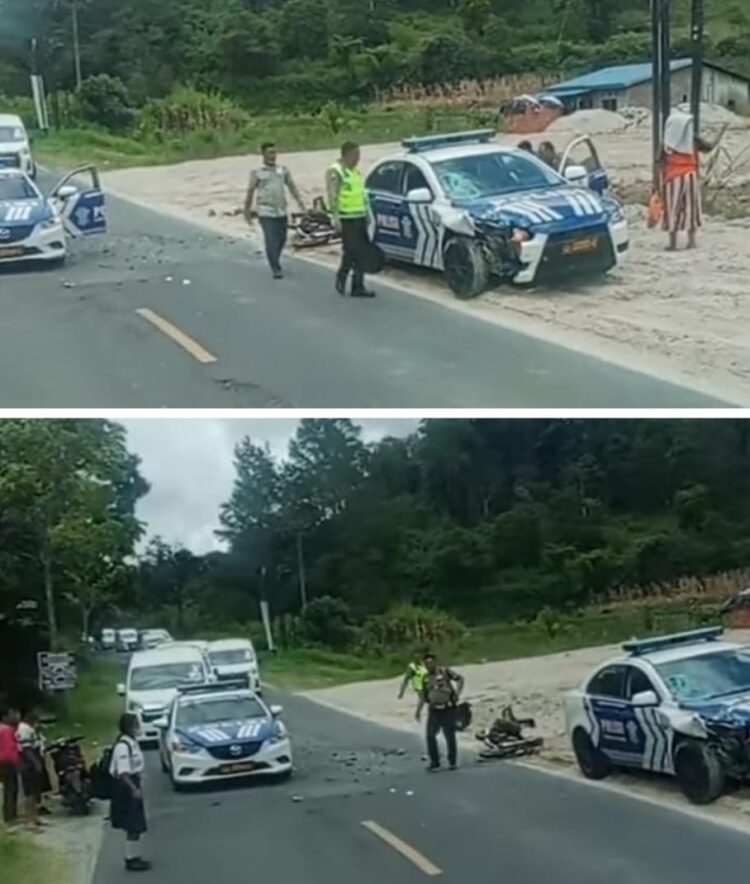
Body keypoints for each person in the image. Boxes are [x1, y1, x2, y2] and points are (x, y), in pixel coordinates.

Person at [244, 142, 306, 280]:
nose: (273, 156)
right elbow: (250, 191)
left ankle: (275, 257)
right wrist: (246, 210)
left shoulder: (282, 170)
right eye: (269, 153)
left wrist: (301, 203)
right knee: (271, 240)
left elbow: (292, 187)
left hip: (281, 211)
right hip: (266, 211)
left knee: (282, 239)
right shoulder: (257, 172)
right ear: (263, 154)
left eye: (274, 153)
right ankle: (275, 267)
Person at [326, 141, 375, 298]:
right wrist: (335, 218)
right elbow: (333, 196)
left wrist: (368, 214)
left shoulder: (355, 172)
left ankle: (358, 286)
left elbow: (362, 195)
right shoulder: (336, 171)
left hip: (359, 216)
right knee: (351, 251)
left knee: (362, 252)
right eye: (356, 155)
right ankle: (342, 275)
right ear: (347, 154)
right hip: (346, 218)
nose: (358, 159)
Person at [661, 109, 711, 251]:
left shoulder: (667, 141)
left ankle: (673, 243)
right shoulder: (692, 139)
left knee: (672, 208)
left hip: (672, 177)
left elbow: (660, 160)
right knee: (691, 207)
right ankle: (692, 241)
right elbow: (708, 147)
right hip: (690, 175)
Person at [110, 713, 150, 872]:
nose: (139, 728)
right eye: (136, 724)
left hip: (133, 783)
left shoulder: (132, 743)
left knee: (136, 824)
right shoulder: (123, 747)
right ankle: (130, 858)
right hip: (126, 787)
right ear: (129, 727)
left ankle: (135, 855)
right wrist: (134, 790)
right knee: (132, 824)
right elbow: (123, 773)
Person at [416, 654, 465, 772]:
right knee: (430, 736)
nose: (429, 666)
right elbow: (423, 696)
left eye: (431, 663)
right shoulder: (425, 678)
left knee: (449, 736)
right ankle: (434, 761)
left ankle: (452, 761)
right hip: (433, 710)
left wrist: (458, 694)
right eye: (426, 664)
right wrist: (418, 710)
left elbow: (460, 679)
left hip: (447, 709)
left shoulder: (444, 672)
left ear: (435, 662)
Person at [17, 712, 45, 831]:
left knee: (34, 793)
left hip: (31, 763)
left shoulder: (29, 729)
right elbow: (26, 749)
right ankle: (30, 820)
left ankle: (35, 817)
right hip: (27, 765)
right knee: (29, 793)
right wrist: (36, 763)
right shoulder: (24, 730)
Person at [0, 708, 20, 828]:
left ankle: (8, 814)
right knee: (11, 788)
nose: (15, 717)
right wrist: (15, 761)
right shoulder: (7, 730)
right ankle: (10, 815)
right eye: (12, 715)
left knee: (7, 788)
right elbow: (9, 749)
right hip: (7, 762)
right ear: (5, 717)